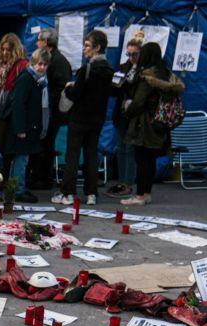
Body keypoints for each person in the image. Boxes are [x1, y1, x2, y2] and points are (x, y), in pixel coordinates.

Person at [121, 42, 184, 206]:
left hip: (144, 124)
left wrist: (127, 111)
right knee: (150, 160)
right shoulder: (165, 74)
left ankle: (140, 195)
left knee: (142, 160)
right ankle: (147, 193)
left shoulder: (147, 77)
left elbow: (138, 102)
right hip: (160, 122)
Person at [54, 30, 112, 205]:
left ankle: (68, 193)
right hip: (97, 119)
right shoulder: (109, 70)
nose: (84, 49)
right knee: (91, 155)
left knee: (72, 155)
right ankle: (91, 193)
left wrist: (70, 87)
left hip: (79, 118)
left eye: (87, 45)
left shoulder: (86, 69)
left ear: (97, 47)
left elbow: (76, 94)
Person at [2, 49, 50, 202]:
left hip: (28, 127)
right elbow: (18, 104)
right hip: (23, 127)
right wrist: (20, 128)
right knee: (21, 159)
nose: (42, 67)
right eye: (39, 64)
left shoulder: (35, 79)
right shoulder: (27, 79)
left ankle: (17, 187)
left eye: (45, 64)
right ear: (33, 63)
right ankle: (17, 189)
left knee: (22, 159)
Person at [28, 28, 71, 190]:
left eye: (39, 40)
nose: (37, 43)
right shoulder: (52, 59)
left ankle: (43, 178)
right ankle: (40, 176)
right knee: (42, 144)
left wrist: (45, 98)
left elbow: (61, 88)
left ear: (46, 42)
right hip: (48, 111)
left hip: (52, 112)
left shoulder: (58, 61)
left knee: (45, 145)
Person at [0, 34, 27, 183]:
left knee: (8, 148)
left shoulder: (21, 65)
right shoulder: (0, 65)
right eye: (3, 49)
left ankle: (6, 181)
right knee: (3, 146)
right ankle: (5, 180)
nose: (5, 53)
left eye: (8, 50)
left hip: (10, 112)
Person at [106, 40, 141, 198]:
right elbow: (113, 92)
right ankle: (121, 181)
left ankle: (128, 182)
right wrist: (116, 84)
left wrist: (126, 85)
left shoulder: (143, 70)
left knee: (130, 148)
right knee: (121, 148)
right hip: (121, 112)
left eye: (135, 54)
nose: (132, 57)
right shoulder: (122, 67)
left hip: (134, 114)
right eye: (129, 54)